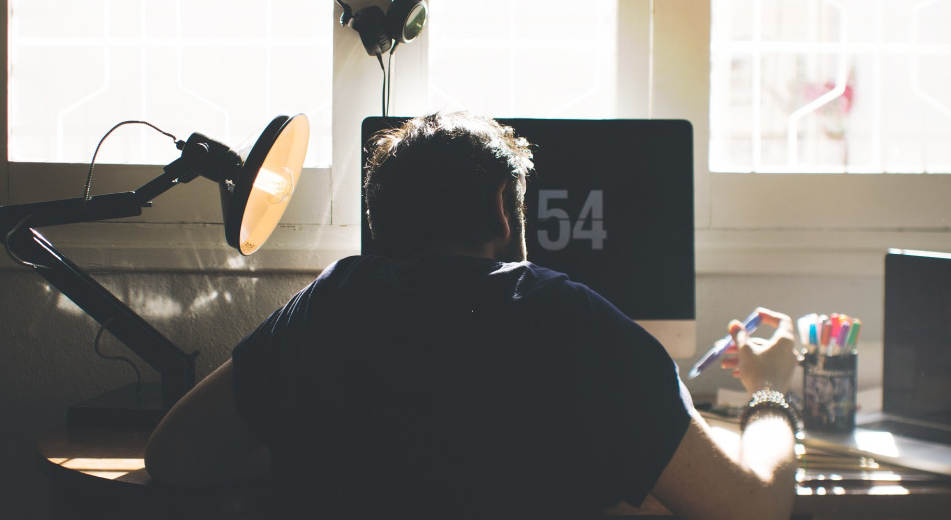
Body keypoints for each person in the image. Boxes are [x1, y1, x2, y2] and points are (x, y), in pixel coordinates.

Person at [145, 111, 799, 520]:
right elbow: (752, 505)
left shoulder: (329, 305)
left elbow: (170, 458)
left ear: (382, 220)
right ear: (500, 207)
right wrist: (770, 393)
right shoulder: (575, 324)